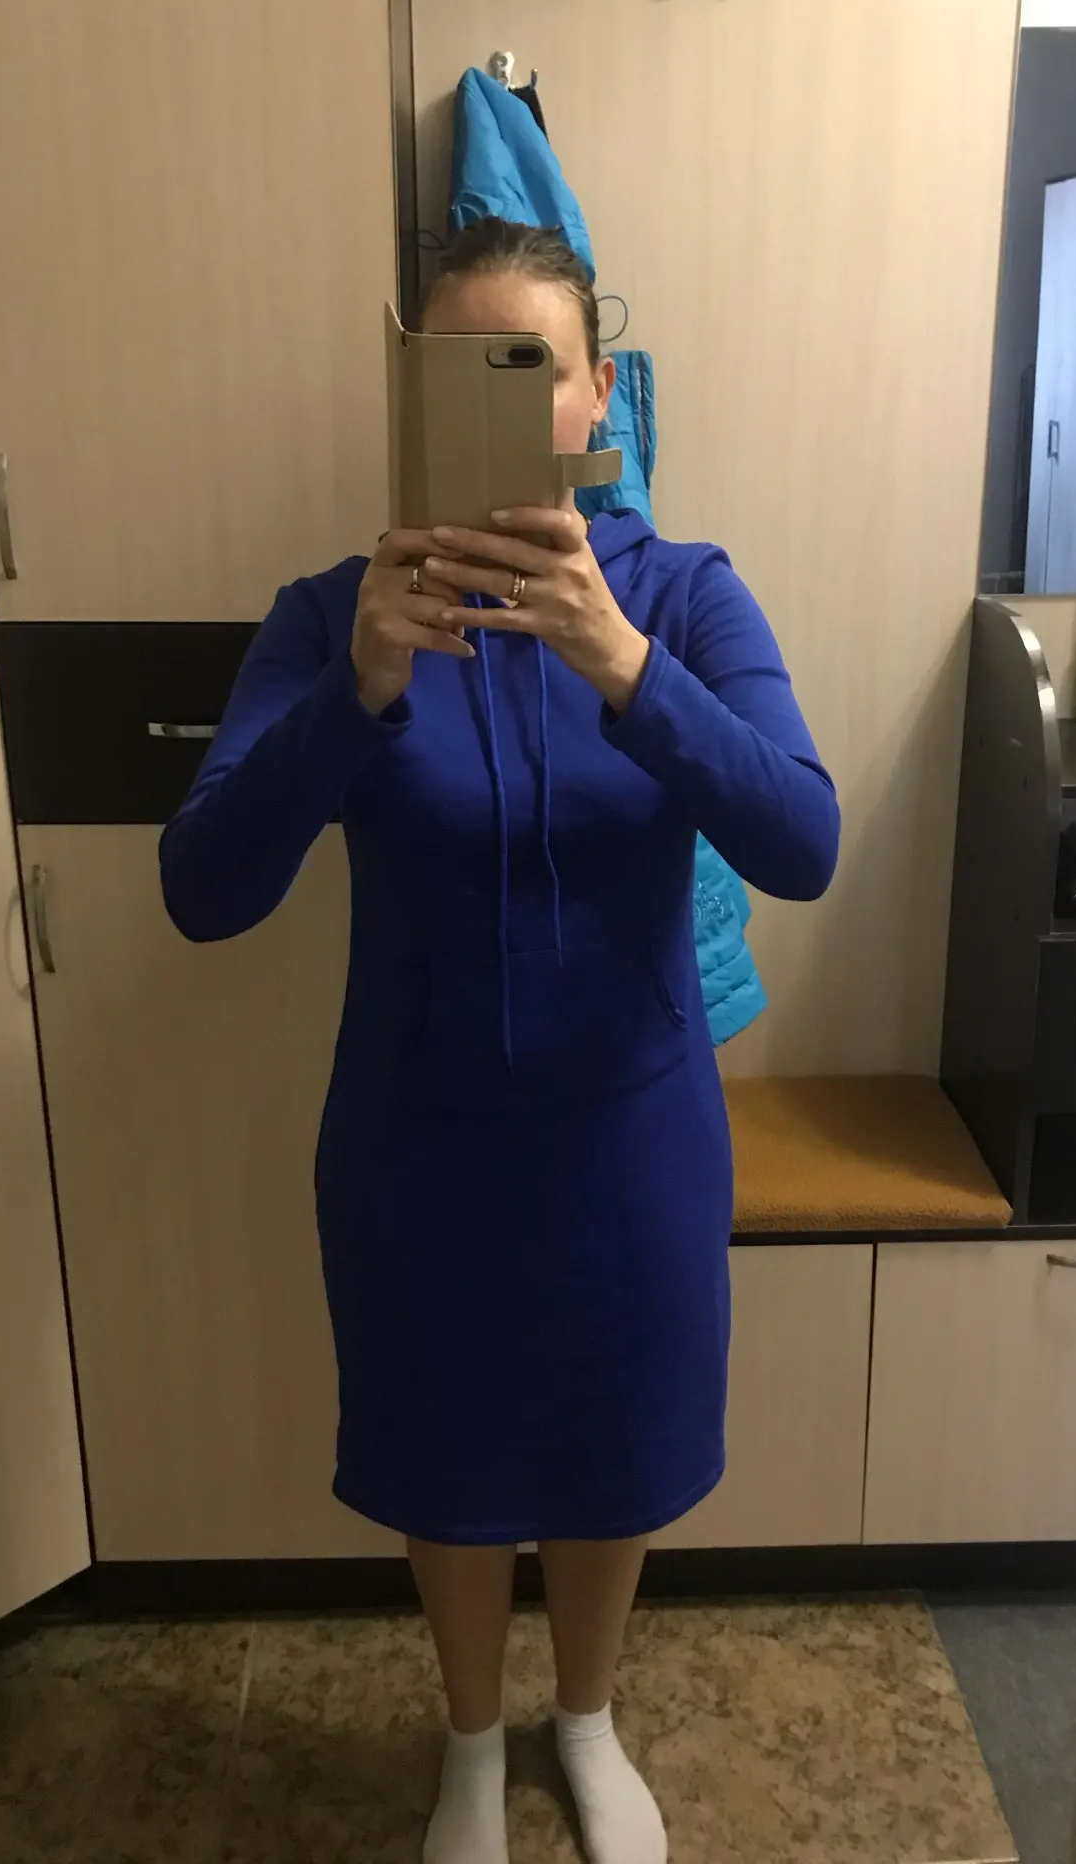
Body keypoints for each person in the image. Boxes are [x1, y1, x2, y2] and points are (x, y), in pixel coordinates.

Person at [159, 218, 839, 1864]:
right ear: (411, 391)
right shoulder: (334, 615)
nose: (503, 397)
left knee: (613, 1455)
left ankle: (585, 1720)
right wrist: (358, 692)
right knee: (445, 1454)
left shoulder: (684, 594)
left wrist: (625, 665)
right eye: (460, 365)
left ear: (599, 393)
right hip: (418, 1145)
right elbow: (203, 890)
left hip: (633, 1141)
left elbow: (804, 841)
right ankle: (473, 1741)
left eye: (532, 364)